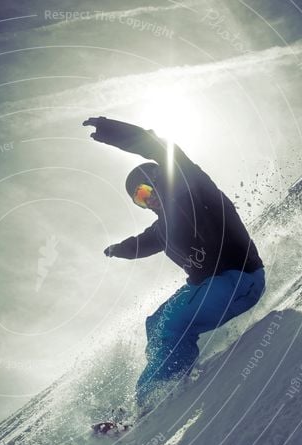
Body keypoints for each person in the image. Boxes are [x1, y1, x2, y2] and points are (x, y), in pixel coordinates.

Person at [83, 116, 265, 410]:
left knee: (172, 324)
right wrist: (118, 249)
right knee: (155, 323)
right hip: (211, 287)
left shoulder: (192, 186)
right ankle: (169, 375)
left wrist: (112, 131)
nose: (146, 201)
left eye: (144, 191)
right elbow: (140, 244)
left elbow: (159, 148)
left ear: (157, 179)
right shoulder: (162, 228)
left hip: (240, 276)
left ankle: (153, 394)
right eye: (139, 200)